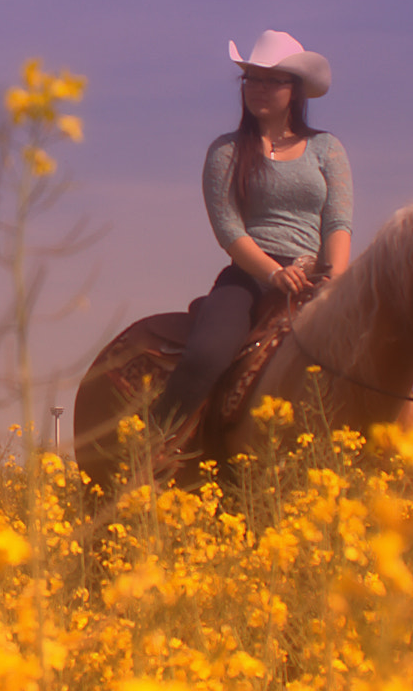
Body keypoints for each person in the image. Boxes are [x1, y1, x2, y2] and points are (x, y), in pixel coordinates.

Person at [149, 30, 353, 436]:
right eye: (252, 79)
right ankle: (152, 444)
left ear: (294, 90)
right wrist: (272, 274)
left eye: (272, 80)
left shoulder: (327, 149)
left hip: (316, 275)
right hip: (250, 277)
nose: (259, 88)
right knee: (208, 353)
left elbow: (337, 221)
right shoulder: (226, 151)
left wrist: (335, 279)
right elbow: (228, 228)